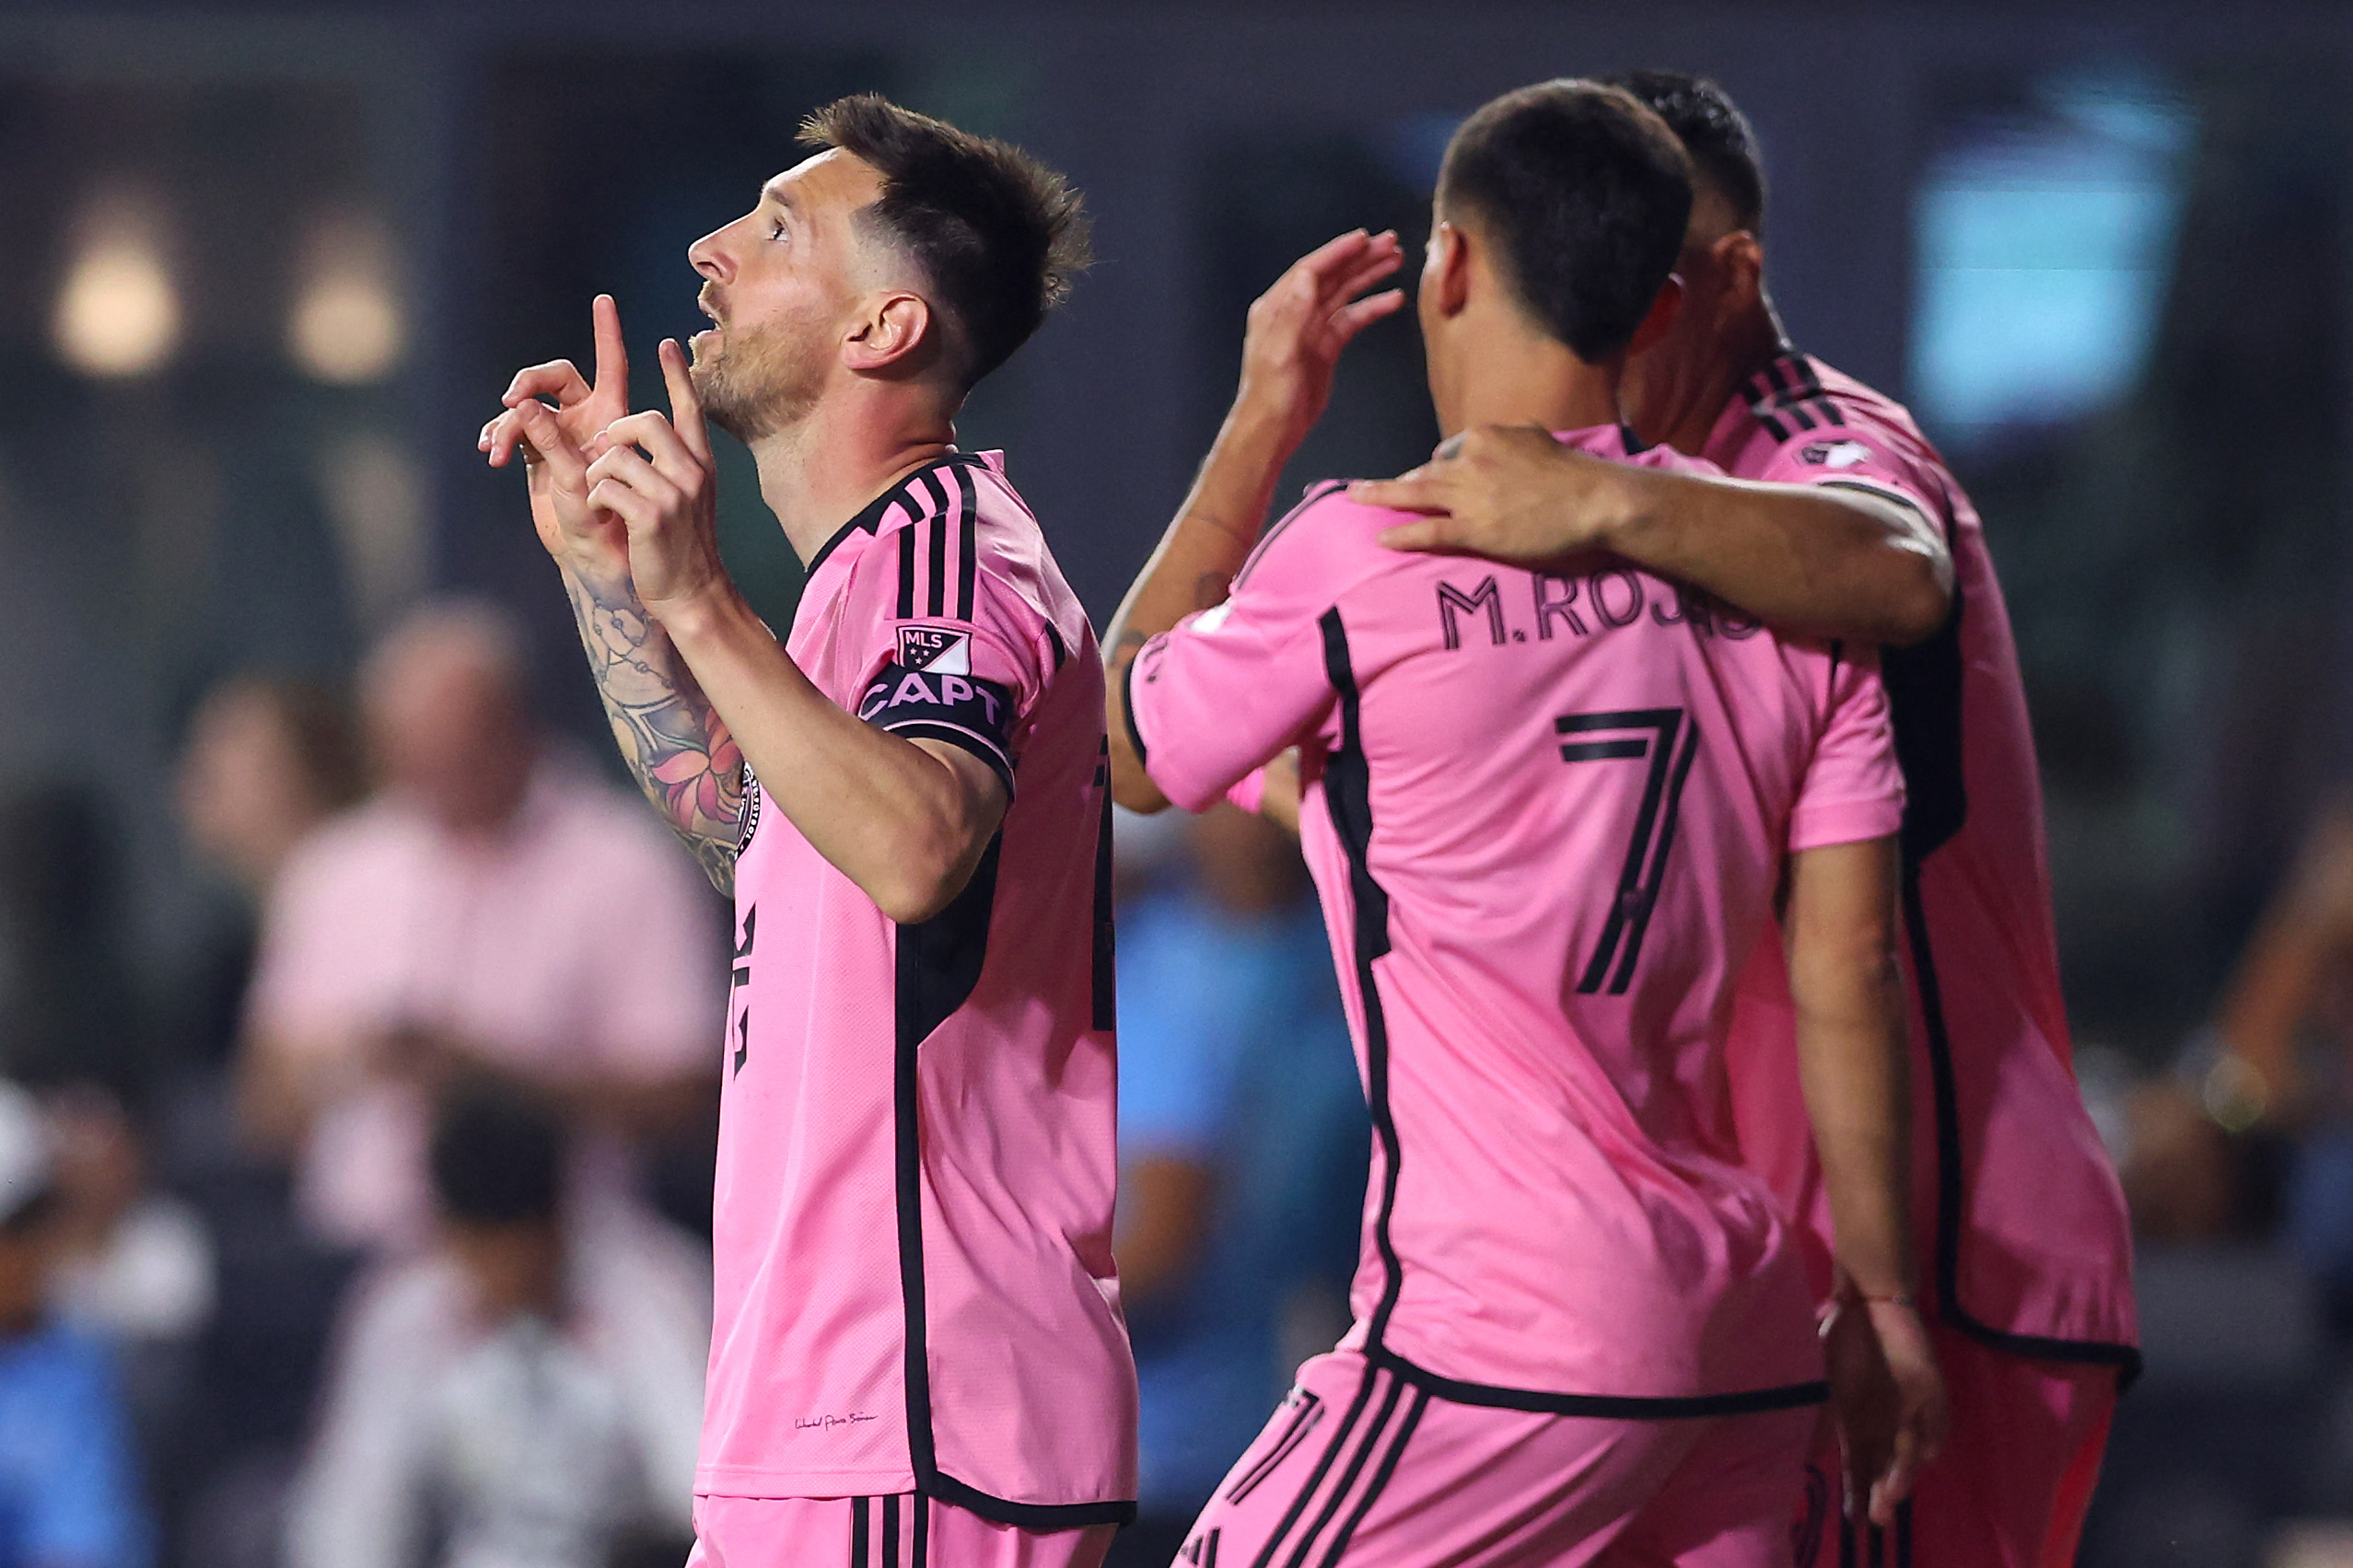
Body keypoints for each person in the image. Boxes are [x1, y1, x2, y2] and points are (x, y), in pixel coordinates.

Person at [1109, 80, 1942, 1565]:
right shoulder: (1790, 589)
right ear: (1661, 305)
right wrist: (1880, 1300)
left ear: (1448, 266)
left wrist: (1259, 421)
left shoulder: (1369, 550)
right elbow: (1849, 968)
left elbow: (1120, 746)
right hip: (1743, 1337)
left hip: (1501, 1333)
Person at [1345, 71, 2140, 1567]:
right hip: (1744, 1281)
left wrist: (1606, 510)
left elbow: (1895, 564)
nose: (1597, 323)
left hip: (1937, 1245)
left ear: (1726, 280)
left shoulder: (1809, 441)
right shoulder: (1623, 515)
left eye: (1639, 284)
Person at [479, 95, 1136, 1565]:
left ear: (884, 327)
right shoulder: (862, 584)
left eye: (778, 230)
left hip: (914, 1411)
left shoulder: (951, 561)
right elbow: (754, 839)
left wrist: (701, 597)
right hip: (829, 1417)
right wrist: (608, 577)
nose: (708, 248)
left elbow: (914, 845)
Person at [238, 599, 721, 1251]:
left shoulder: (625, 863)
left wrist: (497, 1084)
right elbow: (263, 1106)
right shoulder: (336, 870)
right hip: (356, 1252)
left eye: (457, 757)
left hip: (566, 1250)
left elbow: (692, 1096)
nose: (436, 784)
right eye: (413, 760)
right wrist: (350, 1061)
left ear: (516, 727)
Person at [285, 1080, 707, 1568]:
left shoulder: (649, 1294)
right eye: (486, 1255)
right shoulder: (405, 1313)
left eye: (526, 1255)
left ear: (561, 1217)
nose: (508, 1277)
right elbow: (349, 1518)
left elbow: (698, 1490)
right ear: (450, 1232)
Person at [1107, 805, 1366, 1565]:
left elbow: (1167, 1238)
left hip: (1275, 1431)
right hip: (1155, 1444)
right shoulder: (1140, 958)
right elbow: (1161, 1240)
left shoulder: (1348, 951)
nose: (1240, 814)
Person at [0, 1080, 153, 1568]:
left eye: (36, 1226)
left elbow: (84, 1545)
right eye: (13, 1231)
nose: (30, 1251)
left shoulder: (75, 1370)